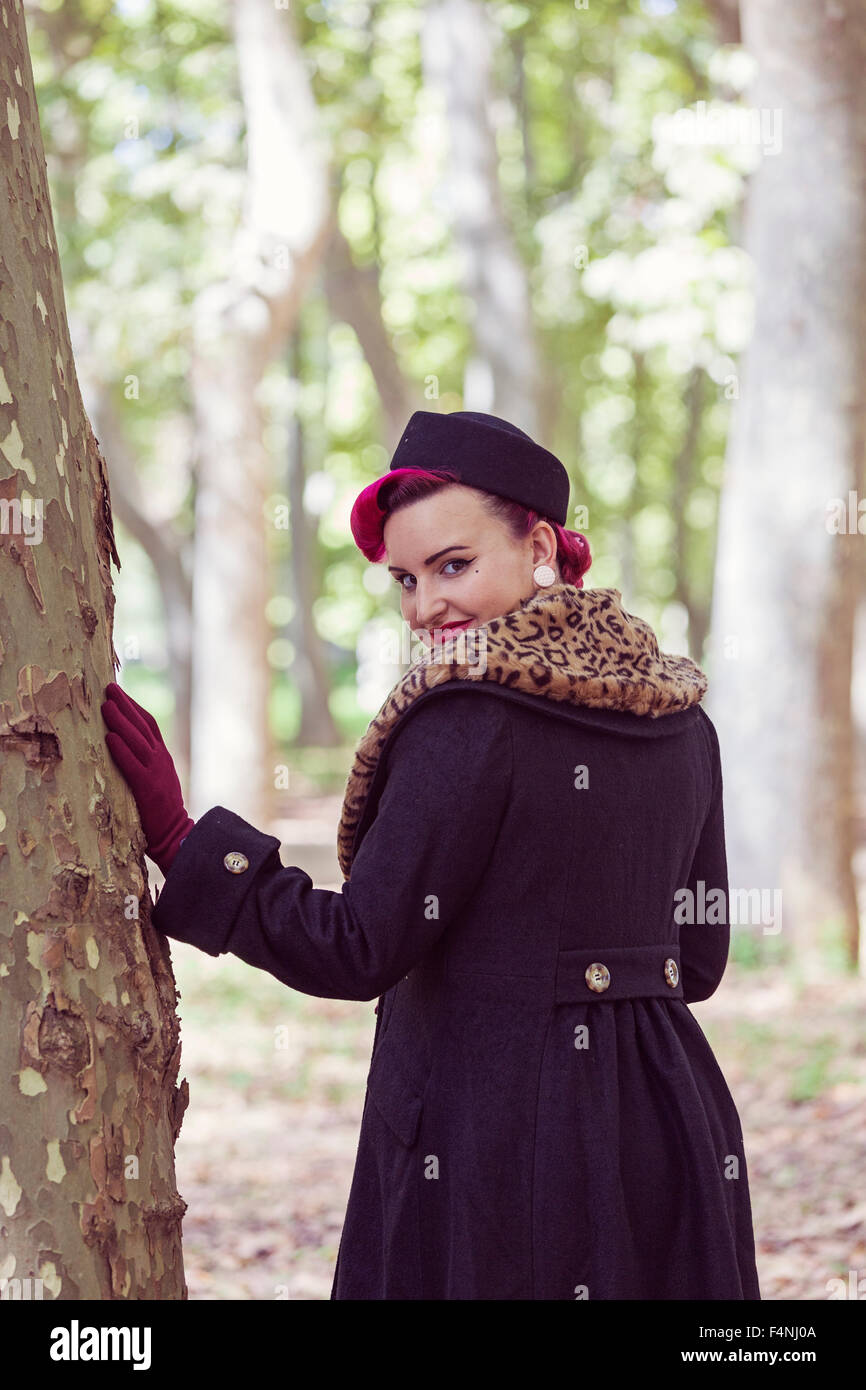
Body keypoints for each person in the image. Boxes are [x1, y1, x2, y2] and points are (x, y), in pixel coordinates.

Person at [101, 408, 761, 1300]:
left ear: (540, 545)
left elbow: (358, 947)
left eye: (454, 565)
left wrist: (182, 840)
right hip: (668, 1126)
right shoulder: (684, 720)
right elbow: (702, 959)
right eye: (406, 580)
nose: (426, 607)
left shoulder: (467, 718)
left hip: (497, 1140)